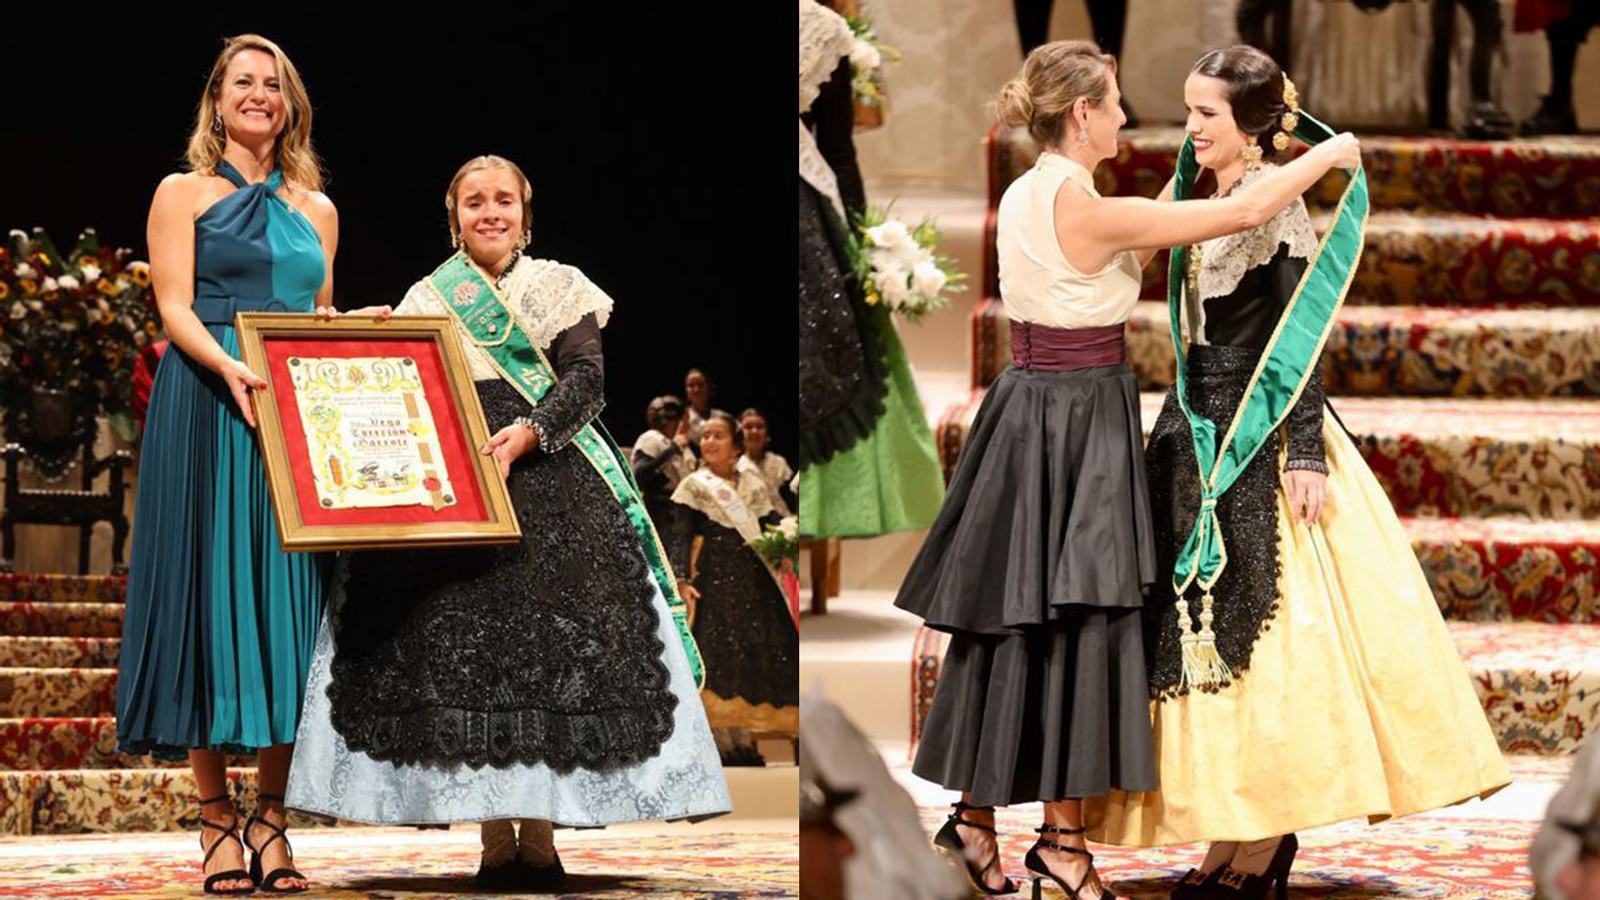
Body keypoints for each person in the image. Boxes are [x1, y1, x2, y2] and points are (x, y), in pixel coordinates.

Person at [893, 39, 1361, 900]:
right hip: (1073, 420)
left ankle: (975, 821)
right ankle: (1060, 844)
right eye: (1113, 103)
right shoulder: (1086, 207)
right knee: (1079, 617)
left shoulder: (1038, 191)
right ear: (1082, 114)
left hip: (1032, 411)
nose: (1128, 117)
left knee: (1017, 618)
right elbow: (1225, 219)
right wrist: (1329, 156)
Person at [1081, 45, 1510, 896]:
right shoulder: (1209, 193)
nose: (1191, 125)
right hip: (1192, 421)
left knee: (1268, 637)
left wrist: (1305, 451)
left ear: (1252, 125)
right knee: (1189, 634)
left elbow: (1302, 337)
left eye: (1207, 114)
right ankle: (1225, 833)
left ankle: (1265, 837)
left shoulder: (1278, 211)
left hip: (1263, 427)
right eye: (1190, 110)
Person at [283, 154, 731, 891]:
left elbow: (586, 379)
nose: (489, 213)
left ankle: (545, 832)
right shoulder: (429, 294)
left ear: (527, 213)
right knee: (465, 647)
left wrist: (528, 432)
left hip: (550, 468)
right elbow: (400, 381)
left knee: (556, 649)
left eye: (503, 201)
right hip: (459, 478)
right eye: (473, 202)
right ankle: (494, 832)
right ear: (452, 216)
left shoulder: (558, 284)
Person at [114, 33, 333, 895]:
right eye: (242, 82)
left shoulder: (317, 207)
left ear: (289, 104)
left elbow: (314, 317)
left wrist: (364, 332)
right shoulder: (183, 192)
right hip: (206, 408)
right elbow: (174, 307)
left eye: (272, 84)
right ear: (215, 100)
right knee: (205, 601)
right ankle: (214, 820)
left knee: (290, 607)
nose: (258, 95)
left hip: (289, 420)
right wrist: (232, 365)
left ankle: (271, 819)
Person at [798, 0, 945, 541]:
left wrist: (861, 245)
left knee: (833, 353)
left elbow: (837, 150)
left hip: (808, 221)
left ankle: (823, 514)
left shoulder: (819, 29)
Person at [668, 412, 798, 765]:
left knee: (750, 656)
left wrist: (788, 537)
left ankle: (744, 740)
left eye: (717, 436)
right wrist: (681, 580)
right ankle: (722, 742)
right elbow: (679, 538)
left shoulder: (753, 484)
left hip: (752, 582)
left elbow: (770, 525)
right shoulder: (694, 485)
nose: (708, 441)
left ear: (737, 447)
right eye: (705, 436)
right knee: (717, 657)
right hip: (712, 580)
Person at [632, 394, 698, 532]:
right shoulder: (652, 438)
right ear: (674, 419)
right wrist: (673, 449)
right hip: (661, 511)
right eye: (686, 419)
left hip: (682, 512)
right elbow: (640, 474)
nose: (688, 424)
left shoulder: (684, 446)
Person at [740, 407, 796, 515]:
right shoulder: (734, 466)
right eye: (748, 427)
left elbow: (792, 498)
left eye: (760, 427)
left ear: (767, 434)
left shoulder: (778, 462)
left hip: (784, 521)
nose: (755, 431)